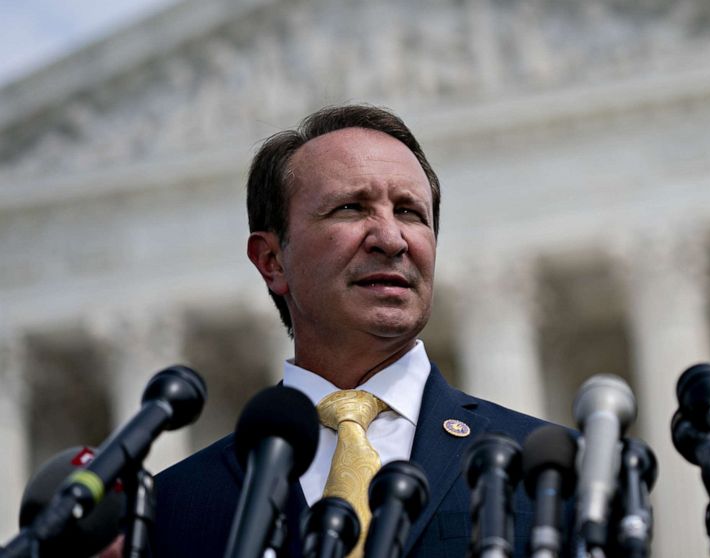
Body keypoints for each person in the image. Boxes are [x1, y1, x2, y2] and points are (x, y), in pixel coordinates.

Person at [153, 105, 551, 557]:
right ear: (271, 260)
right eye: (350, 208)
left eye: (410, 212)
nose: (392, 238)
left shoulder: (549, 471)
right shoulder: (174, 507)